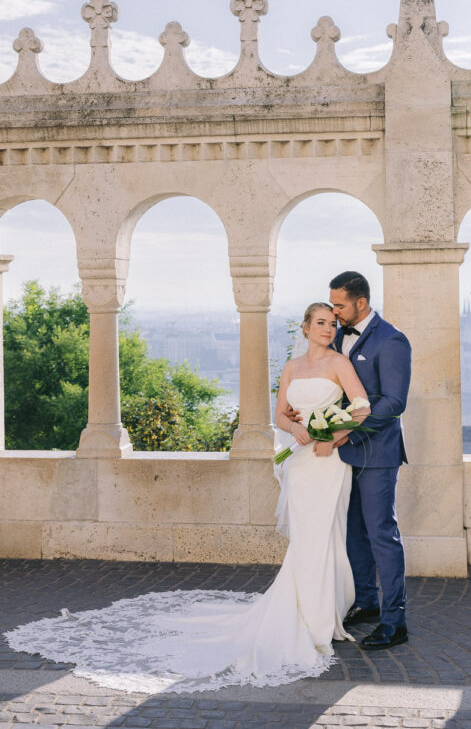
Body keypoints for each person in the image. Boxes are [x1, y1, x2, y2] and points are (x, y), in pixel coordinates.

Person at [4, 302, 370, 695]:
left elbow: (362, 407)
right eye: (320, 323)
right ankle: (305, 613)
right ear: (305, 327)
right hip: (299, 462)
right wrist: (295, 430)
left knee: (326, 534)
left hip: (327, 462)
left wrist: (331, 438)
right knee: (305, 539)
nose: (328, 329)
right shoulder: (293, 367)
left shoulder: (340, 363)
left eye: (332, 324)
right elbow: (280, 415)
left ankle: (323, 616)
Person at [330, 271, 411, 650]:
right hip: (341, 455)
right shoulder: (335, 335)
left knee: (381, 534)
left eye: (340, 305)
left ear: (360, 303)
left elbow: (394, 402)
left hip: (378, 454)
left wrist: (349, 432)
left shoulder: (392, 340)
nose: (334, 312)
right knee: (353, 533)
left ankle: (395, 621)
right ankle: (366, 602)